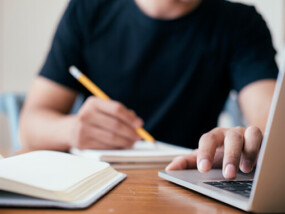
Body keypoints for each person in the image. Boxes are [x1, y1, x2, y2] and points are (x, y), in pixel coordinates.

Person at [19, 0, 278, 180]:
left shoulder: (241, 23)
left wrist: (245, 143)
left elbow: (271, 118)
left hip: (188, 179)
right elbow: (30, 125)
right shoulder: (88, 9)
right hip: (97, 181)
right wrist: (72, 129)